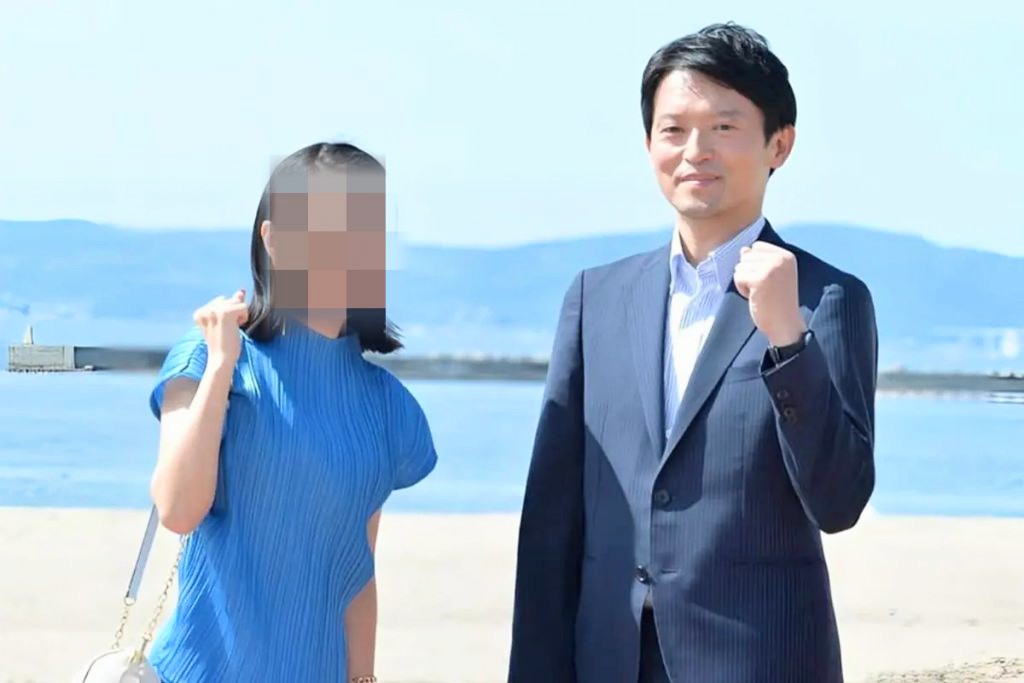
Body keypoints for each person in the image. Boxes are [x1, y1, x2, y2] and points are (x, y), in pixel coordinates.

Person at [508, 23, 877, 683]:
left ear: (779, 144)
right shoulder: (597, 298)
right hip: (609, 658)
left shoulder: (827, 299)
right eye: (673, 129)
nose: (695, 151)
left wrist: (788, 340)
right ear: (649, 143)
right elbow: (551, 523)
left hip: (759, 663)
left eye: (724, 127)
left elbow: (839, 501)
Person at [146, 142, 437, 683]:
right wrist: (221, 367)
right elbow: (178, 509)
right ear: (274, 239)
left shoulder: (387, 408)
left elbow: (356, 571)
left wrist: (363, 678)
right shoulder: (207, 358)